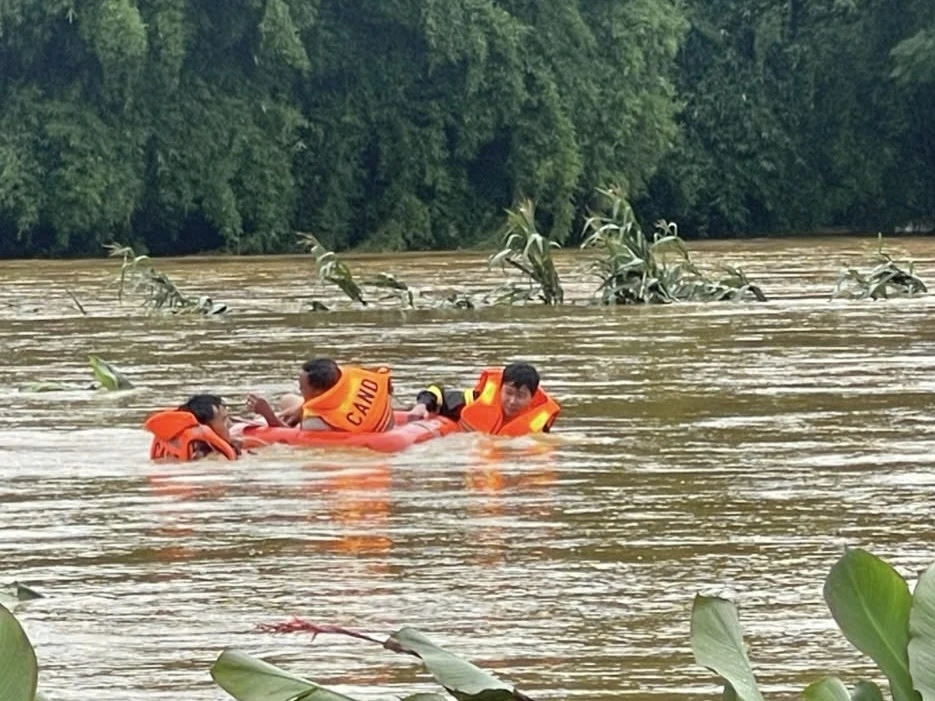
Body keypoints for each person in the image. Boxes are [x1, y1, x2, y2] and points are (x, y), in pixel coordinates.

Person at [246, 358, 395, 433]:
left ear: (318, 392)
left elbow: (288, 435)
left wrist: (268, 416)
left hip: (357, 431)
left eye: (302, 388)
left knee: (287, 405)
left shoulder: (316, 423)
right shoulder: (348, 380)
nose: (299, 388)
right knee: (288, 399)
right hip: (381, 416)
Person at [408, 362, 560, 436]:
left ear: (532, 398)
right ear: (500, 389)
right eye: (508, 393)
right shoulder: (476, 400)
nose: (512, 401)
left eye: (520, 396)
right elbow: (437, 393)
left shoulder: (539, 427)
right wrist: (422, 405)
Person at [145, 393, 240, 461]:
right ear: (204, 428)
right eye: (224, 420)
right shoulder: (215, 459)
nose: (230, 424)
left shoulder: (173, 451)